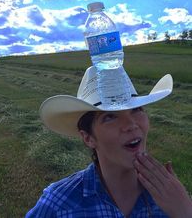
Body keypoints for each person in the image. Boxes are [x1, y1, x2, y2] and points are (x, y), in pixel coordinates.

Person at [26, 66, 192, 217]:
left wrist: (184, 211)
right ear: (88, 138)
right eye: (110, 117)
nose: (131, 125)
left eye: (136, 110)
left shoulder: (171, 199)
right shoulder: (60, 205)